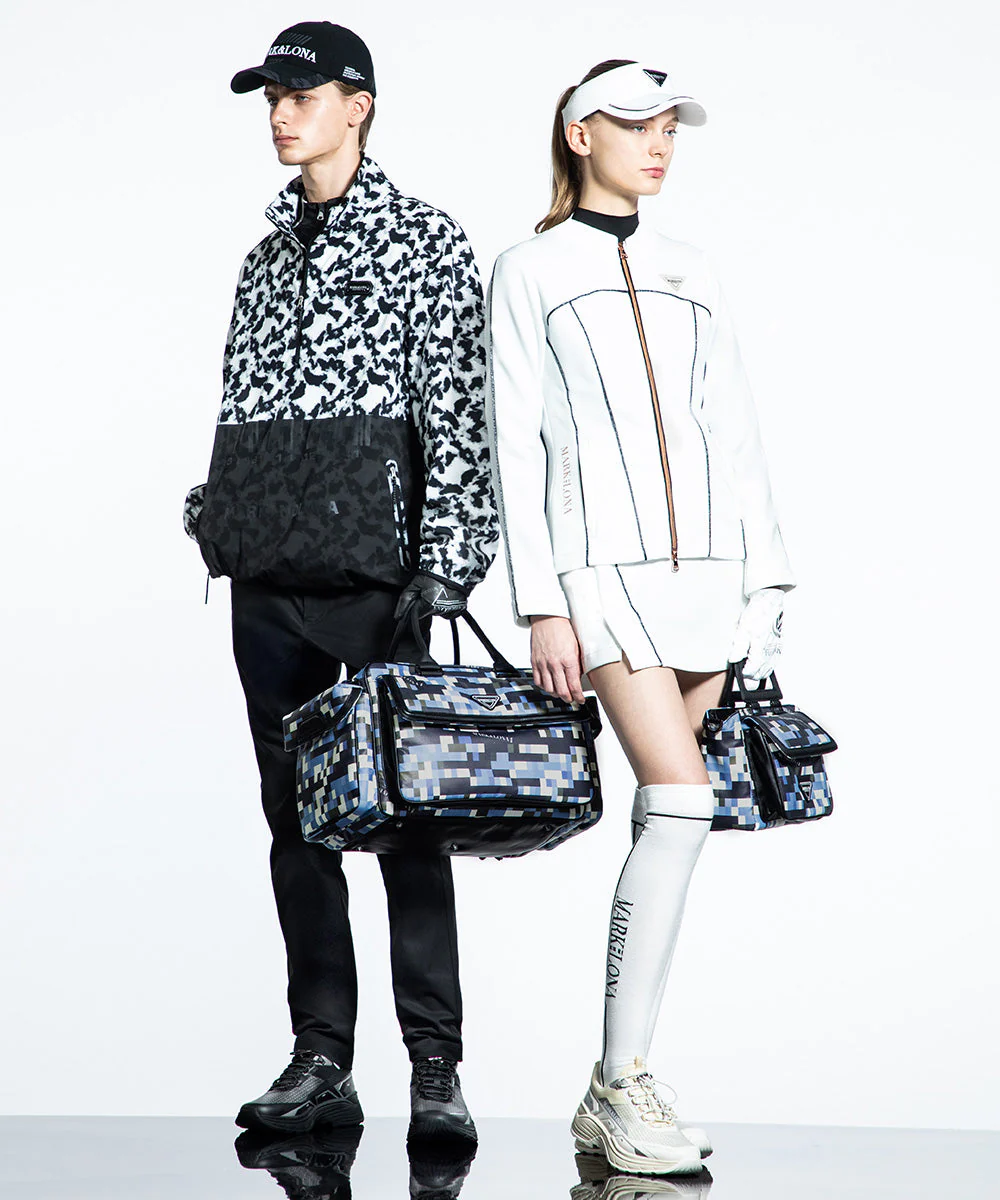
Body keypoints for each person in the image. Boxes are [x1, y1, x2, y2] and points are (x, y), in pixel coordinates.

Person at [183, 21, 497, 1144]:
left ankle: (434, 1069)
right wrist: (215, 513)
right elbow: (242, 407)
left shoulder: (426, 242)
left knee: (407, 821)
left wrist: (449, 563)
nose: (280, 113)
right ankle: (321, 1058)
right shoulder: (261, 262)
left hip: (379, 584)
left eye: (301, 93)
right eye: (270, 95)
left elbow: (460, 414)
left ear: (357, 104)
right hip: (267, 584)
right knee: (296, 825)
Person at [486, 60, 795, 1175]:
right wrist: (539, 603)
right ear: (580, 134)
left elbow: (734, 426)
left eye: (668, 127)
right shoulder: (527, 270)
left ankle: (617, 1084)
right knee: (680, 801)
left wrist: (767, 586)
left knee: (675, 821)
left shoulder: (692, 268)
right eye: (634, 124)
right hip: (602, 577)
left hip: (712, 576)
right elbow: (514, 440)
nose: (658, 144)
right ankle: (619, 1082)